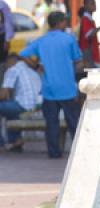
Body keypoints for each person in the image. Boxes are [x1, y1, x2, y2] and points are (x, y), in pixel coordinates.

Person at [20, 11, 83, 158]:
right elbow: (78, 61)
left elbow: (23, 54)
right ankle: (78, 152)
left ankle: (54, 153)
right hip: (67, 88)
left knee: (52, 124)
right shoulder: (69, 39)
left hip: (49, 89)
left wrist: (36, 67)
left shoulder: (41, 41)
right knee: (73, 122)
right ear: (60, 23)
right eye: (64, 21)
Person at [0, 53, 42, 151]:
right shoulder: (31, 70)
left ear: (9, 62)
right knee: (9, 108)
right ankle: (16, 140)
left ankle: (1, 144)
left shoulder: (12, 69)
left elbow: (3, 95)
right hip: (38, 107)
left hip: (24, 106)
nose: (5, 67)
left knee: (8, 106)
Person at [78, 0, 100, 68]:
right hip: (88, 54)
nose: (94, 6)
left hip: (91, 52)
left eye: (94, 4)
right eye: (92, 4)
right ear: (86, 6)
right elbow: (89, 35)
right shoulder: (85, 20)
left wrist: (99, 43)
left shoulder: (89, 20)